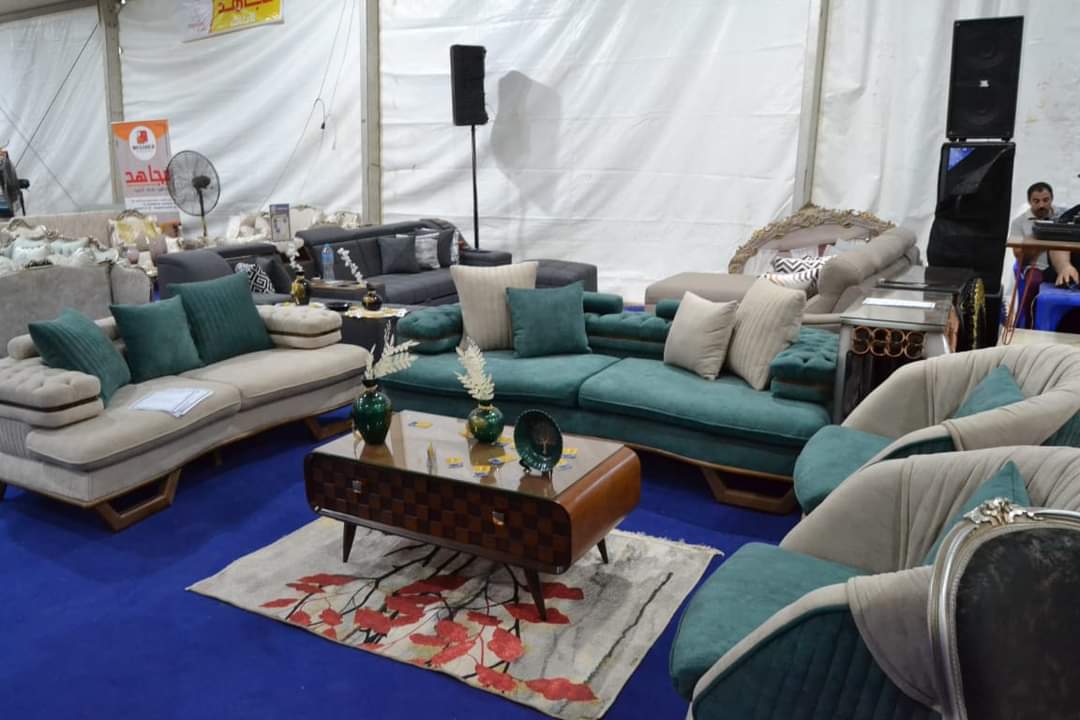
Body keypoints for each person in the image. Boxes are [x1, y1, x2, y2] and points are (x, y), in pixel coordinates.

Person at [1008, 181, 1077, 327]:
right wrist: (1039, 240)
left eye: (1046, 200)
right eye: (1036, 201)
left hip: (1061, 264)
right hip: (1037, 266)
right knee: (1033, 283)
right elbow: (1019, 256)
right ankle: (1029, 324)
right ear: (1029, 201)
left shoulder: (1065, 216)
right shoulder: (1019, 223)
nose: (1041, 205)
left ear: (1052, 199)